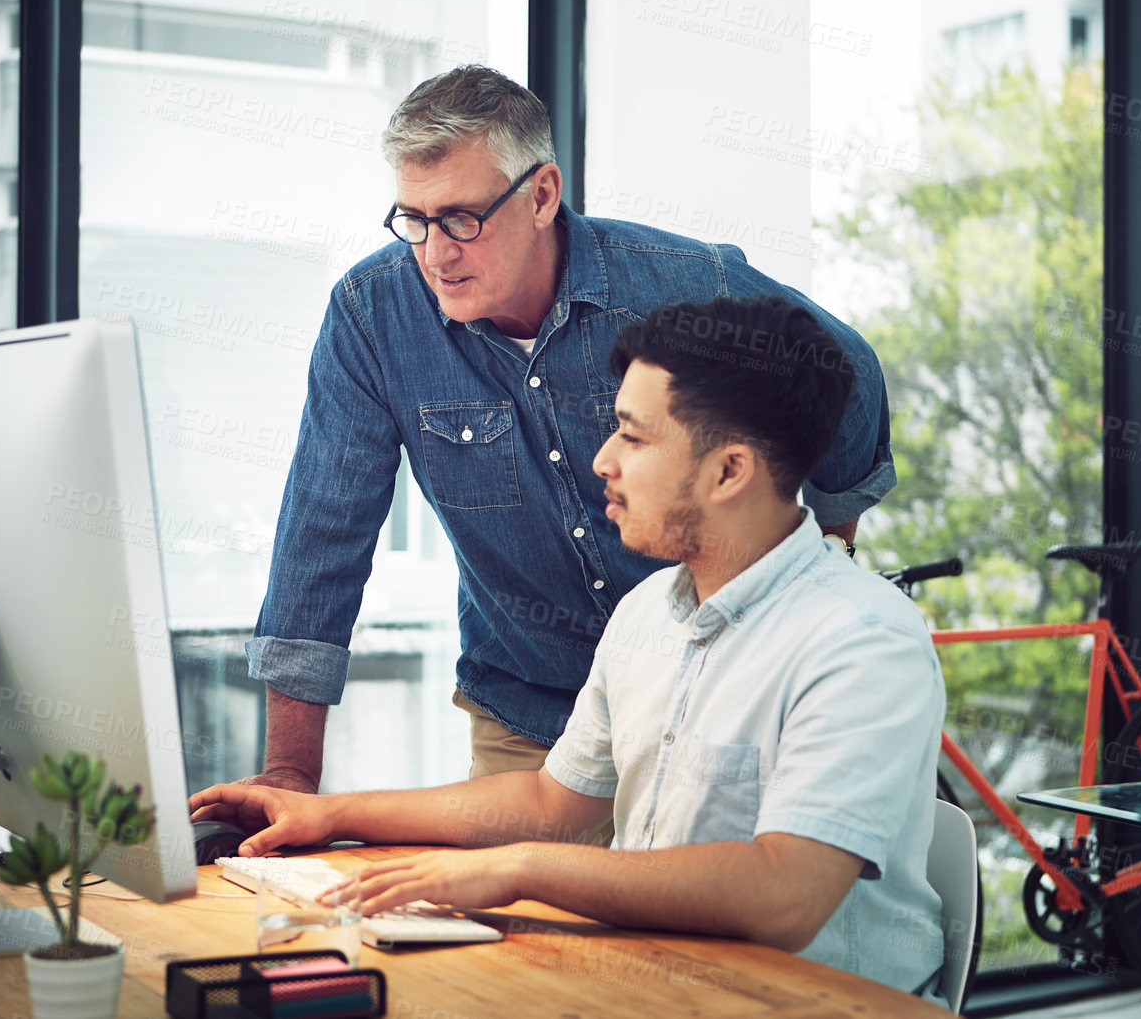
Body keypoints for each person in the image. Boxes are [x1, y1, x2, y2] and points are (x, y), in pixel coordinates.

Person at [192, 295, 947, 995]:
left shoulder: (864, 639)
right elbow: (552, 803)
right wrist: (328, 813)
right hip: (654, 983)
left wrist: (519, 871)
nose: (602, 462)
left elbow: (785, 894)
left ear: (728, 471)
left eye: (633, 434)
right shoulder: (649, 611)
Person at [243, 65, 896, 793]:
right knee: (511, 906)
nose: (435, 253)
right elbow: (322, 537)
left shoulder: (679, 286)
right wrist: (289, 775)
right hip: (528, 717)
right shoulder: (373, 317)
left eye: (461, 218)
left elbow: (847, 368)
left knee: (688, 903)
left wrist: (828, 551)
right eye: (414, 222)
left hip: (712, 699)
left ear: (541, 194)